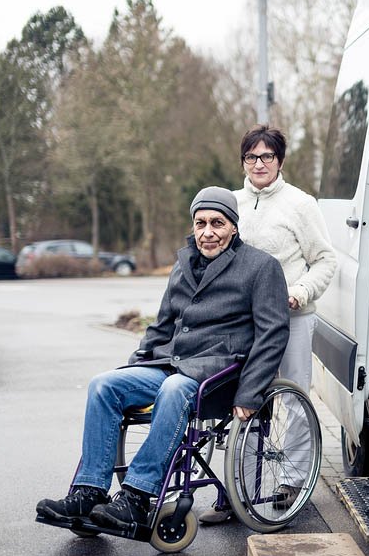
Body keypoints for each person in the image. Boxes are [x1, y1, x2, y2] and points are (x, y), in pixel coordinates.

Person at [36, 187, 290, 530]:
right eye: (200, 223)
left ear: (233, 227)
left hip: (221, 375)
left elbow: (272, 334)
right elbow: (163, 324)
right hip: (172, 364)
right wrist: (137, 362)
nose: (208, 232)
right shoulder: (183, 263)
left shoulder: (261, 267)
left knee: (174, 389)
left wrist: (250, 393)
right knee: (104, 385)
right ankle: (89, 491)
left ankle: (137, 497)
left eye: (217, 223)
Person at [198, 125, 336, 523]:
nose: (259, 164)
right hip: (243, 321)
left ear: (280, 160)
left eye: (267, 157)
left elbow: (325, 260)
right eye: (251, 157)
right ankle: (236, 493)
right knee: (243, 401)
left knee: (291, 398)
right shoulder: (233, 203)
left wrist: (300, 292)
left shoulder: (300, 204)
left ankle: (293, 481)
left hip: (290, 317)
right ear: (242, 161)